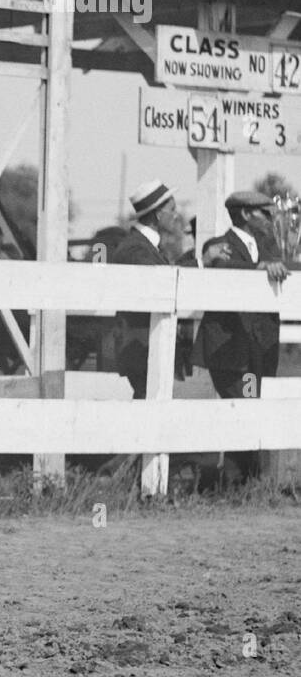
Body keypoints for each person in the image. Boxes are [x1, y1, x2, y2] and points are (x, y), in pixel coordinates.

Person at [200, 190, 288, 481]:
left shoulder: (271, 246)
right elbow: (221, 267)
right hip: (231, 350)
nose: (271, 217)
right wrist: (257, 269)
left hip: (259, 348)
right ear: (247, 214)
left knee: (252, 410)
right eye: (265, 212)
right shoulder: (219, 245)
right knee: (242, 409)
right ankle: (238, 484)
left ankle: (243, 484)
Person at [112, 180, 183, 399]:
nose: (176, 215)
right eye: (172, 210)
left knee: (147, 402)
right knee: (147, 401)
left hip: (145, 343)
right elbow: (159, 280)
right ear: (158, 214)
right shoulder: (136, 248)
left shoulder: (146, 245)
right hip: (140, 345)